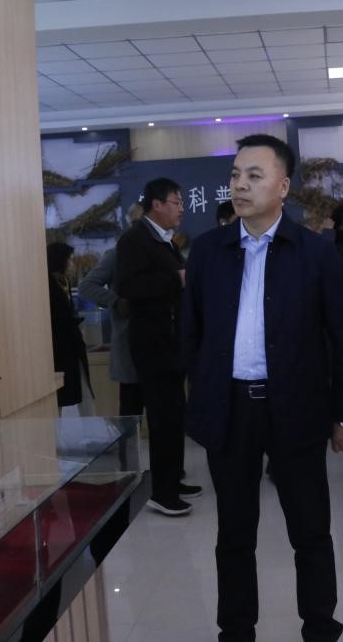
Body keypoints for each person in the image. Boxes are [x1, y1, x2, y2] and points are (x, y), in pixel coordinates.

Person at [181, 134, 343, 642]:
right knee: (233, 534)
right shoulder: (209, 251)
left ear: (283, 186)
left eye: (254, 176)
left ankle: (320, 627)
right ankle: (236, 630)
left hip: (296, 408)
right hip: (230, 409)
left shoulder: (315, 252)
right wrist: (200, 401)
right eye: (235, 175)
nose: (240, 185)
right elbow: (191, 334)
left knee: (310, 530)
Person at [115, 177, 198, 516]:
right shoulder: (135, 239)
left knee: (174, 415)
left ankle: (173, 479)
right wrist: (175, 279)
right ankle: (161, 492)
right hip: (152, 344)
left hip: (171, 341)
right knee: (163, 418)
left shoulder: (164, 240)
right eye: (176, 202)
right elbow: (127, 287)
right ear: (157, 204)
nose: (182, 209)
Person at [77, 204, 144, 418]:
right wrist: (115, 302)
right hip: (129, 342)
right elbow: (87, 286)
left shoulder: (166, 251)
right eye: (137, 223)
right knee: (130, 409)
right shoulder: (117, 254)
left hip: (163, 346)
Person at [47, 241, 92, 411]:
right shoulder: (47, 284)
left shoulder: (64, 281)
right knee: (58, 394)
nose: (72, 264)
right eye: (69, 260)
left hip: (73, 343)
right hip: (58, 346)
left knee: (83, 387)